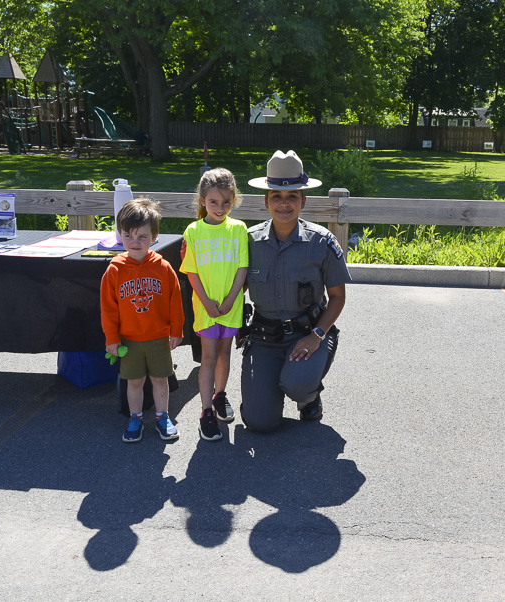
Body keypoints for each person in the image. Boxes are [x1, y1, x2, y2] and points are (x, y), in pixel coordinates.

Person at [241, 150, 351, 433]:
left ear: (303, 200)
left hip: (308, 334)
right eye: (276, 196)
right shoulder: (247, 243)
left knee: (298, 383)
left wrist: (317, 335)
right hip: (264, 339)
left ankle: (308, 396)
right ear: (266, 201)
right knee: (259, 422)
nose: (284, 203)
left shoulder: (321, 242)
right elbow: (232, 289)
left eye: (292, 196)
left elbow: (338, 297)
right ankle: (266, 392)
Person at [100, 198, 184, 443]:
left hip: (158, 337)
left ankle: (162, 417)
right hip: (129, 340)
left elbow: (175, 301)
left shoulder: (163, 267)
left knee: (160, 379)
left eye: (142, 237)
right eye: (128, 236)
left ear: (154, 237)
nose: (135, 242)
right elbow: (108, 309)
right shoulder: (114, 270)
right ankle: (135, 418)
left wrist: (177, 330)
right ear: (120, 235)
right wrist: (111, 338)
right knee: (134, 381)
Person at [180, 168, 249, 441]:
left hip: (231, 306)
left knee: (225, 354)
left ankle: (220, 395)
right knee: (208, 358)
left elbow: (242, 267)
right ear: (202, 200)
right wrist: (207, 302)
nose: (220, 208)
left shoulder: (239, 229)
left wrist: (231, 299)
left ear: (234, 200)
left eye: (226, 202)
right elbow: (192, 272)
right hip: (206, 308)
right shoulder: (193, 231)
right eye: (213, 202)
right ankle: (206, 410)